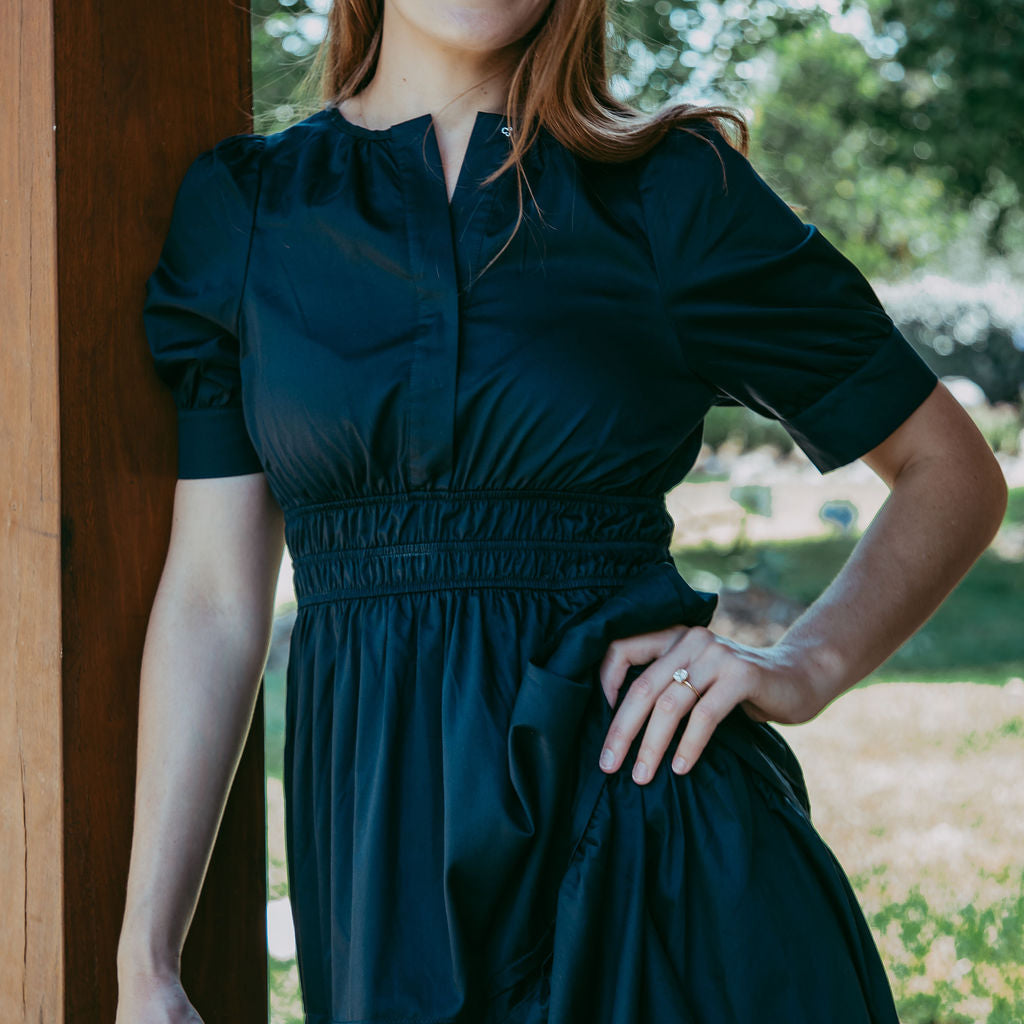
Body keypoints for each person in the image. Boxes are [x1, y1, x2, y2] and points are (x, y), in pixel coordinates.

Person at [115, 1, 1008, 1022]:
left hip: (650, 854)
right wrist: (148, 960)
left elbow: (949, 470)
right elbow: (212, 600)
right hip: (383, 876)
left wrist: (801, 663)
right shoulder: (247, 213)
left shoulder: (669, 189)